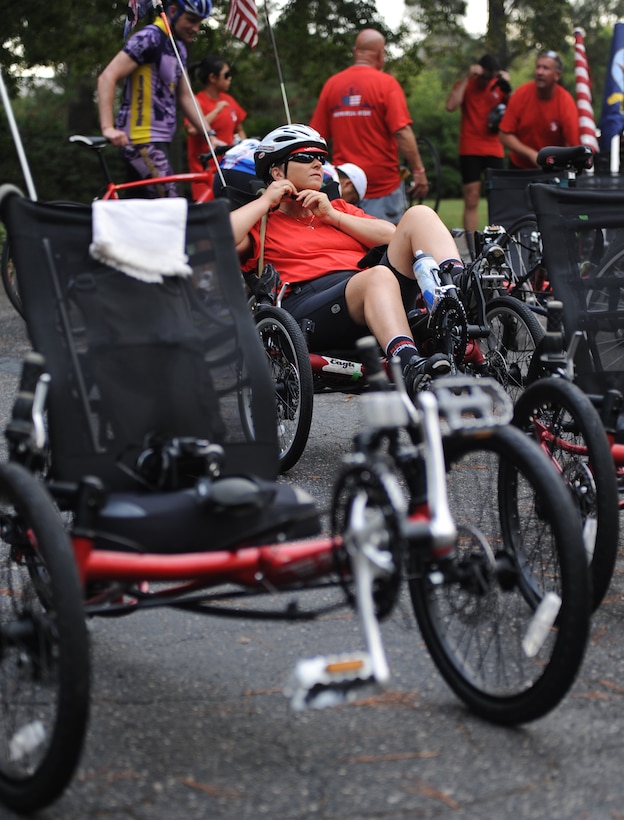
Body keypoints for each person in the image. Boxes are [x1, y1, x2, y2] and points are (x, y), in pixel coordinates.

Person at [230, 125, 468, 400]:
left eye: (321, 156)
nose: (318, 162)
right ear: (276, 171)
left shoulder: (337, 209)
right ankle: (409, 364)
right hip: (310, 310)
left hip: (377, 294)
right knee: (376, 277)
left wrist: (333, 217)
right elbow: (220, 239)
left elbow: (394, 235)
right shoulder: (262, 224)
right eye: (306, 157)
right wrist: (267, 200)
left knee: (419, 214)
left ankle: (458, 290)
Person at [310, 29, 429, 225]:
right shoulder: (387, 84)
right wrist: (418, 171)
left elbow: (316, 137)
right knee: (389, 250)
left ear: (356, 51)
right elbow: (402, 131)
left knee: (348, 250)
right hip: (383, 187)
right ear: (381, 54)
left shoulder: (333, 84)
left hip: (346, 189)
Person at [97, 0, 213, 197]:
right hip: (142, 139)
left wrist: (210, 136)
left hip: (160, 138)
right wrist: (108, 127)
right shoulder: (150, 37)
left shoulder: (178, 47)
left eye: (199, 22)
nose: (195, 28)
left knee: (142, 210)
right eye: (191, 20)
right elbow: (107, 77)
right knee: (170, 204)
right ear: (173, 11)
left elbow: (185, 96)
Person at [445, 55, 511, 232]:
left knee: (498, 200)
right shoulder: (468, 84)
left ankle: (498, 241)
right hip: (470, 148)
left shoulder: (498, 87)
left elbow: (515, 113)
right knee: (471, 197)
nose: (486, 81)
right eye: (484, 76)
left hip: (494, 148)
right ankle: (473, 245)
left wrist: (507, 84)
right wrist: (468, 77)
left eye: (490, 77)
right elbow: (451, 106)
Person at [498, 50, 581, 170]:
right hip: (519, 167)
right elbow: (504, 135)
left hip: (552, 168)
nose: (539, 72)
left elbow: (574, 144)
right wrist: (531, 154)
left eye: (545, 68)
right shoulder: (521, 94)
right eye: (538, 67)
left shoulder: (565, 101)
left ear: (557, 75)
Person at [185, 55, 247, 200]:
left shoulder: (229, 100)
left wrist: (244, 147)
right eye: (226, 75)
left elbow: (239, 129)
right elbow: (191, 129)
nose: (229, 78)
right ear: (212, 78)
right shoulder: (197, 101)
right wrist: (216, 111)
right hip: (205, 174)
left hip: (230, 170)